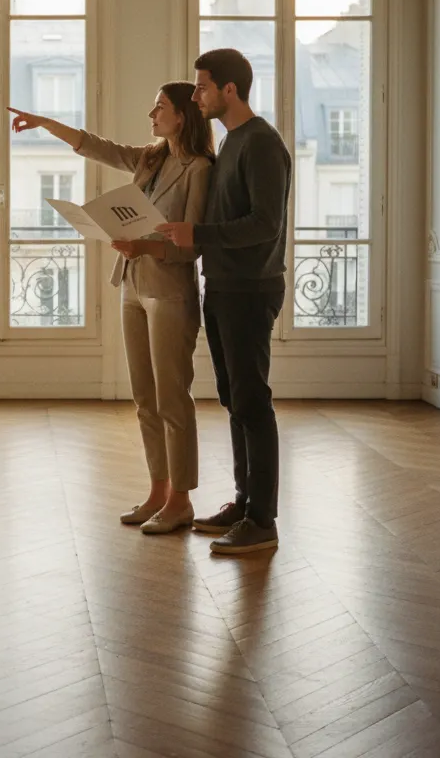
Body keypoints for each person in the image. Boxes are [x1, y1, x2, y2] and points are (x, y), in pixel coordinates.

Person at [9, 82, 213, 534]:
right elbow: (95, 147)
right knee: (144, 397)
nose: (151, 113)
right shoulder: (151, 158)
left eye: (159, 107)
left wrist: (145, 243)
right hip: (132, 286)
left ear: (181, 115)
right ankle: (158, 492)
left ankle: (181, 500)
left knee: (172, 398)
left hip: (169, 291)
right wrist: (45, 124)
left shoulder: (199, 169)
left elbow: (192, 244)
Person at [156, 48, 291, 555]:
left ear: (229, 90)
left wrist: (198, 232)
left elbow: (265, 225)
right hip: (225, 286)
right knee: (236, 400)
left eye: (203, 87)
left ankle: (263, 520)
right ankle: (244, 502)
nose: (196, 97)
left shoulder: (260, 144)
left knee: (252, 401)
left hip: (251, 290)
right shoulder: (233, 142)